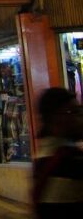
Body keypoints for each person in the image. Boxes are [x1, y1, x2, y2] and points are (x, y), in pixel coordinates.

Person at [33, 87, 83, 218]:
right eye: (74, 112)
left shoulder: (44, 155)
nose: (80, 118)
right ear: (55, 118)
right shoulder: (69, 161)